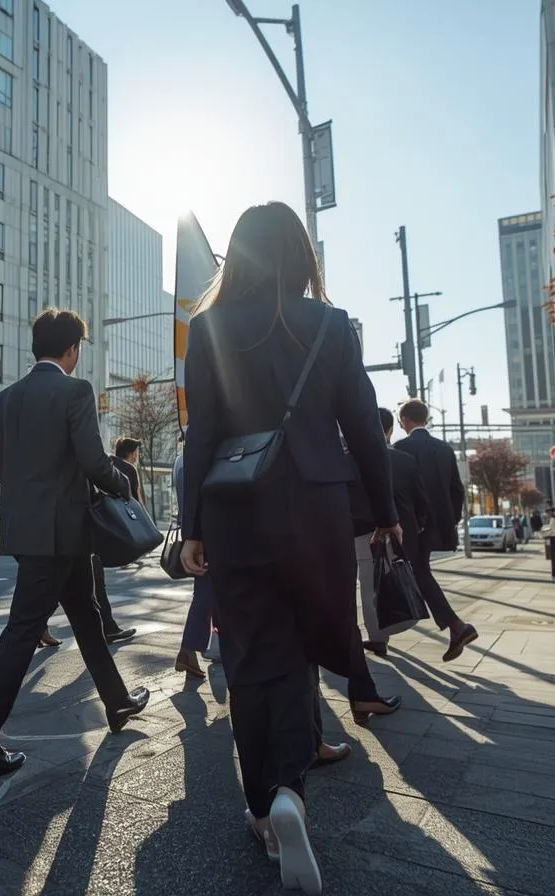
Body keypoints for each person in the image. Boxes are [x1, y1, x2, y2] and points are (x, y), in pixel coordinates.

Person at [179, 202, 401, 895]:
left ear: (237, 256)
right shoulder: (330, 324)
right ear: (303, 258)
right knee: (302, 644)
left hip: (235, 508)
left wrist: (191, 528)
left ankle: (263, 805)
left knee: (250, 657)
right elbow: (363, 427)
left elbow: (201, 435)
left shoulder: (209, 326)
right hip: (315, 505)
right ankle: (290, 792)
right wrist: (386, 514)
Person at [0, 309, 151, 777]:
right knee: (23, 632)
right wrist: (123, 484)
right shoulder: (74, 390)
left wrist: (30, 485)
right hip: (64, 530)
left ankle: (118, 700)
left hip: (27, 530)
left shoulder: (5, 398)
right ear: (72, 350)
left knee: (87, 615)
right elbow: (91, 460)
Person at [393, 400, 482, 662]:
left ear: (405, 420)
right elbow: (457, 489)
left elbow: (399, 491)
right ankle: (455, 627)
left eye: (400, 420)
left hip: (412, 525)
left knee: (418, 572)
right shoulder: (444, 449)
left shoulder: (400, 449)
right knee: (420, 572)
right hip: (438, 524)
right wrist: (450, 520)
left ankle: (456, 626)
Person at [358, 408, 430, 657]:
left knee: (365, 586)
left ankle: (377, 637)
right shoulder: (404, 460)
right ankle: (386, 630)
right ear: (390, 429)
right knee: (382, 581)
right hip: (393, 531)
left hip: (361, 531)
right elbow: (420, 501)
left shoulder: (353, 457)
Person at [90, 436, 142, 643]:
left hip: (58, 521)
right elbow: (133, 500)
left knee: (72, 581)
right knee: (92, 579)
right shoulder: (125, 470)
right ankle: (108, 628)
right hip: (86, 523)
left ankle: (107, 627)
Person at [173, 429, 215, 678]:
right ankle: (188, 649)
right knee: (206, 590)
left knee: (205, 590)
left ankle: (190, 650)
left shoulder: (180, 461)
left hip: (195, 530)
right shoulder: (194, 461)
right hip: (205, 531)